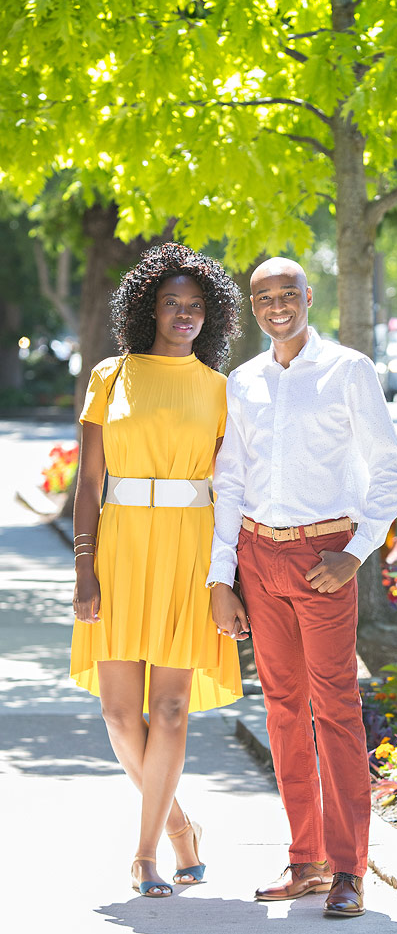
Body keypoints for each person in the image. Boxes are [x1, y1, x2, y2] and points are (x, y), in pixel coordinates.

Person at [208, 258, 397, 918]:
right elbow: (229, 481)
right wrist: (222, 576)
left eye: (286, 293)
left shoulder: (348, 370)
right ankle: (306, 862)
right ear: (254, 305)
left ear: (307, 297)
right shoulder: (243, 382)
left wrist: (357, 552)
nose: (276, 305)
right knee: (284, 714)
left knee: (337, 711)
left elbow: (389, 467)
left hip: (325, 556)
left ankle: (349, 869)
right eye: (263, 296)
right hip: (258, 558)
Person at [71, 243, 243, 898]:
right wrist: (84, 569)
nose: (184, 314)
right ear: (147, 307)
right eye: (171, 302)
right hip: (119, 545)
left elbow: (232, 490)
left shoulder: (220, 389)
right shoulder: (110, 377)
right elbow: (88, 483)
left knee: (170, 707)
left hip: (189, 549)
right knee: (120, 715)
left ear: (213, 315)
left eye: (196, 306)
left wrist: (225, 580)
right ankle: (180, 827)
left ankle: (146, 855)